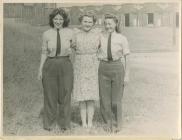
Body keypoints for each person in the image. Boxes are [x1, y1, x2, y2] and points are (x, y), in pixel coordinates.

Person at [38, 8, 73, 131]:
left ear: (64, 20)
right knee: (50, 94)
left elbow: (75, 47)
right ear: (52, 20)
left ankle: (65, 124)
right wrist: (40, 70)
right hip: (50, 64)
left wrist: (71, 50)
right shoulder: (46, 34)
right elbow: (43, 52)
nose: (58, 21)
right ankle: (49, 124)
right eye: (56, 19)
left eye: (60, 19)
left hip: (65, 64)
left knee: (65, 93)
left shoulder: (70, 32)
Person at [97, 13, 130, 132]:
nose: (107, 26)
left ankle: (117, 124)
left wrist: (127, 75)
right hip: (103, 67)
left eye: (110, 24)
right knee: (104, 98)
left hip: (117, 67)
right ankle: (107, 123)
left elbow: (127, 57)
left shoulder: (122, 38)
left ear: (116, 24)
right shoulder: (100, 36)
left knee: (116, 99)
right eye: (105, 24)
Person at [71, 11, 100, 129]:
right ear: (81, 22)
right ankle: (83, 123)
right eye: (85, 21)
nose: (87, 24)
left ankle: (90, 122)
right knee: (82, 95)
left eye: (90, 22)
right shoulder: (75, 34)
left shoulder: (98, 34)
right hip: (80, 64)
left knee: (91, 95)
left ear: (93, 23)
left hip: (93, 64)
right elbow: (71, 47)